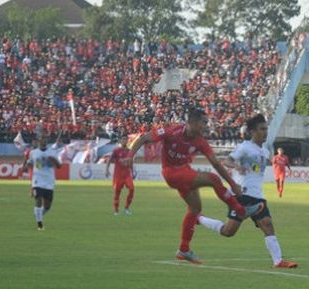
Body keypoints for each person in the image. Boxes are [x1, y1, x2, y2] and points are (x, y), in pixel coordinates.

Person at [124, 108, 263, 264]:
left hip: (185, 171)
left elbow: (216, 163)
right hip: (171, 173)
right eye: (203, 123)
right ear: (192, 123)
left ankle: (184, 249)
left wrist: (232, 184)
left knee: (195, 209)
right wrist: (130, 156)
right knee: (213, 179)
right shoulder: (171, 131)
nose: (206, 126)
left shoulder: (200, 140)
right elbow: (143, 138)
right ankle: (240, 210)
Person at [196, 115, 298, 268]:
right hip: (241, 195)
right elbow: (227, 161)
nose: (265, 132)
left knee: (267, 224)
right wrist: (237, 166)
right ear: (252, 131)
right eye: (262, 129)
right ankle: (200, 219)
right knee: (228, 231)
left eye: (266, 129)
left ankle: (278, 261)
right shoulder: (244, 147)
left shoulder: (265, 151)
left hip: (257, 195)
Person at [21, 136, 62, 230]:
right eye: (42, 140)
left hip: (49, 181)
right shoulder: (33, 152)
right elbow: (30, 163)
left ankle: (38, 214)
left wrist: (54, 160)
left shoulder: (52, 151)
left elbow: (59, 166)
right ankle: (40, 223)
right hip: (37, 180)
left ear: (47, 141)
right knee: (38, 200)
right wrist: (26, 167)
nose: (44, 141)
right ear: (39, 141)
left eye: (45, 139)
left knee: (47, 206)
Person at [106, 137, 135, 215]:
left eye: (126, 140)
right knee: (117, 193)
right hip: (118, 176)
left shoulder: (130, 151)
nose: (124, 141)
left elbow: (131, 162)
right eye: (123, 140)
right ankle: (116, 210)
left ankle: (127, 208)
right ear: (120, 141)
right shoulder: (116, 151)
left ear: (127, 141)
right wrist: (107, 170)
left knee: (132, 189)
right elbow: (109, 159)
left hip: (127, 175)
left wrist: (132, 172)